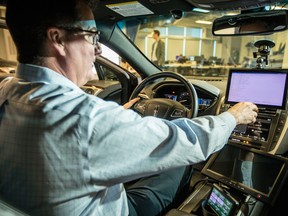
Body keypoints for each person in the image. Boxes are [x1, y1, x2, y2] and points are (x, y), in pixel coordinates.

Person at [0, 0, 259, 215]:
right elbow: (187, 141)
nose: (98, 49)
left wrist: (118, 119)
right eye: (92, 36)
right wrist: (233, 116)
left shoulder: (6, 91)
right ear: (57, 38)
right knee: (179, 164)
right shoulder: (87, 119)